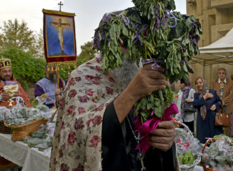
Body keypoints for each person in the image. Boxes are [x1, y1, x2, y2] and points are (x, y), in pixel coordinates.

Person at [50, 56, 178, 170]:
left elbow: (159, 127)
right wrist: (131, 94)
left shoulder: (147, 72)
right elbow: (75, 139)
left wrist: (167, 138)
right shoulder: (82, 76)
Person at [193, 77, 223, 144]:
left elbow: (220, 102)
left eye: (200, 82)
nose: (199, 84)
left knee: (213, 139)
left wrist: (216, 105)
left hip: (212, 120)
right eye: (197, 83)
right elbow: (195, 104)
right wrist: (204, 97)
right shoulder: (196, 95)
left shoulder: (212, 92)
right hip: (202, 121)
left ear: (203, 83)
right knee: (202, 140)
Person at [210, 68, 233, 137]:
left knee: (227, 126)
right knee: (217, 124)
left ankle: (228, 142)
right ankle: (218, 142)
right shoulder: (214, 82)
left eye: (223, 73)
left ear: (225, 74)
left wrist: (223, 101)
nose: (221, 74)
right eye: (220, 73)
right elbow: (212, 93)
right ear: (218, 74)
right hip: (217, 107)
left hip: (227, 107)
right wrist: (218, 103)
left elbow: (231, 95)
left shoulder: (230, 82)